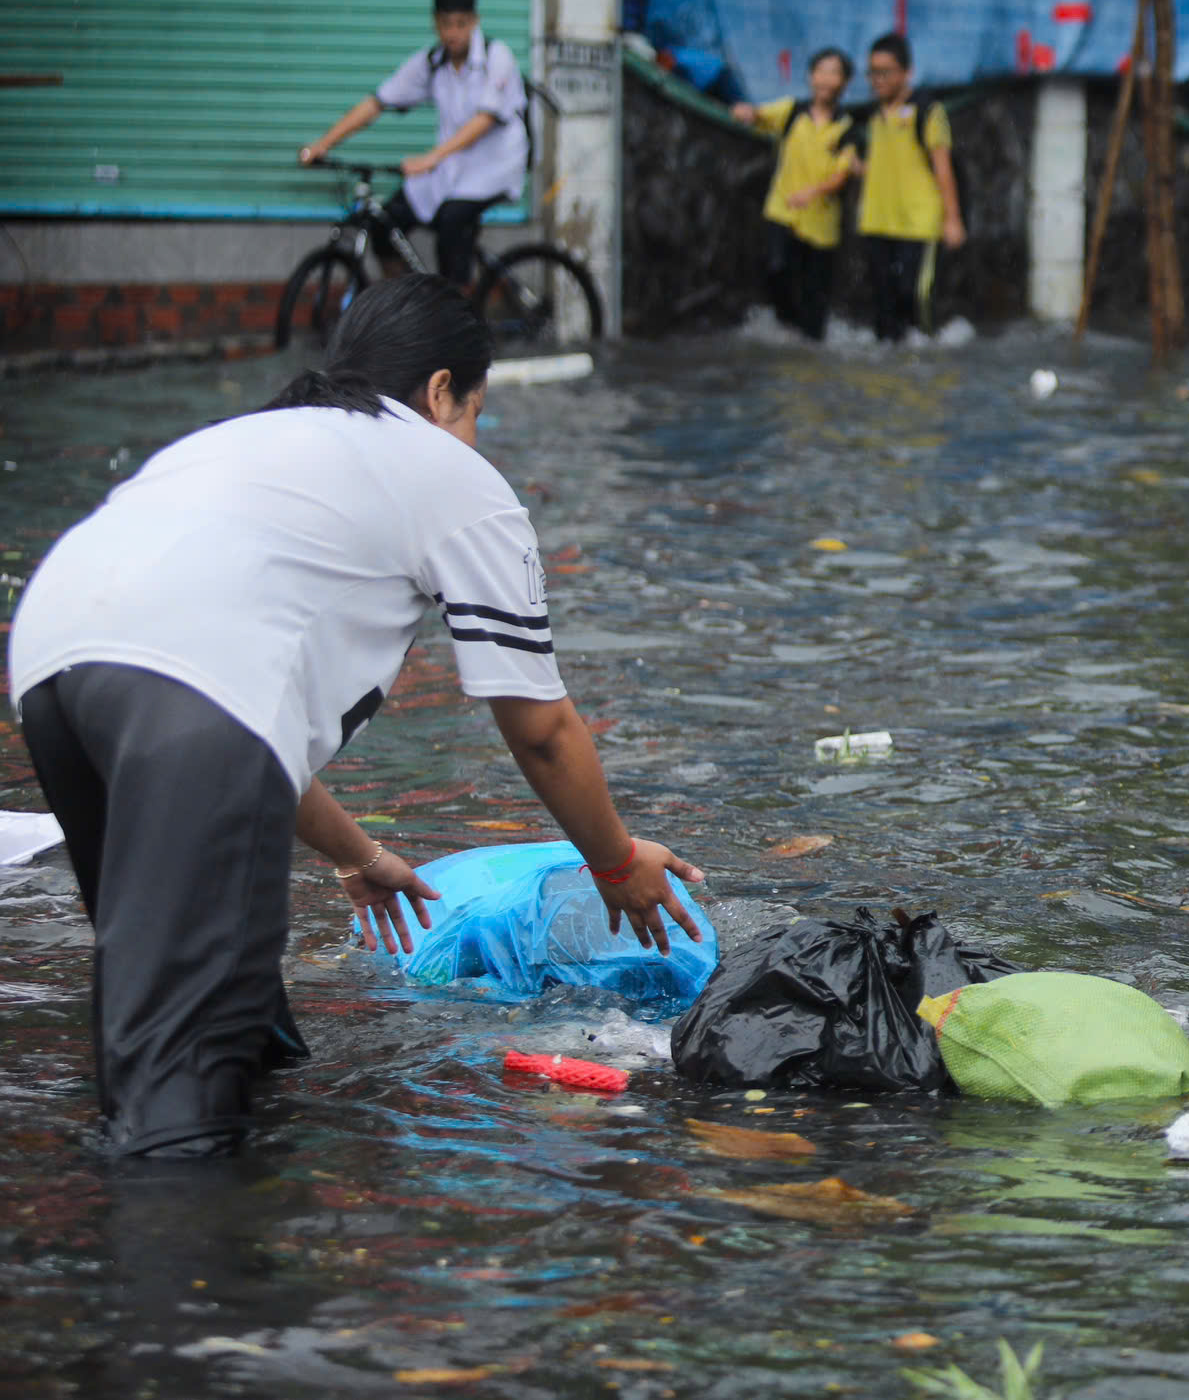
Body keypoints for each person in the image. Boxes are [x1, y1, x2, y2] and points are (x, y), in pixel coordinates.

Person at [7, 275, 704, 1158]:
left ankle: (178, 1189)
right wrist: (614, 862)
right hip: (190, 692)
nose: (474, 436)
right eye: (475, 409)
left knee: (185, 995)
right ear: (442, 389)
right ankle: (180, 1269)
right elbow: (539, 724)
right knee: (181, 1081)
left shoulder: (254, 441)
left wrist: (360, 856)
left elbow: (244, 732)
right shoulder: (452, 473)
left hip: (52, 654)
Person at [300, 0, 529, 285]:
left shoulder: (497, 56)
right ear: (435, 23)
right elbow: (377, 102)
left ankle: (457, 316)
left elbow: (484, 120)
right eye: (445, 24)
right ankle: (410, 305)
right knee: (385, 225)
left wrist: (430, 159)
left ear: (474, 22)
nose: (453, 33)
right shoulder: (431, 63)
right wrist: (323, 144)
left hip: (495, 166)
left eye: (461, 24)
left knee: (451, 222)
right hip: (450, 166)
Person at [731, 47, 859, 341]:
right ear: (810, 76)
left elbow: (841, 176)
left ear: (844, 82)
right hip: (783, 211)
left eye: (834, 73)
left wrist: (813, 192)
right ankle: (787, 329)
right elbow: (760, 115)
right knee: (777, 270)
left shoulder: (846, 129)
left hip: (821, 225)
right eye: (821, 71)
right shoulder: (792, 111)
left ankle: (808, 347)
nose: (826, 79)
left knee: (815, 295)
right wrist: (745, 112)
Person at [852, 32, 965, 344]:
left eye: (885, 72)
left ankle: (924, 368)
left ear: (907, 72)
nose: (878, 80)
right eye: (873, 73)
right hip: (877, 221)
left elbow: (943, 168)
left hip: (918, 224)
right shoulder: (874, 115)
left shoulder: (928, 111)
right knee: (882, 304)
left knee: (913, 297)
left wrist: (952, 219)